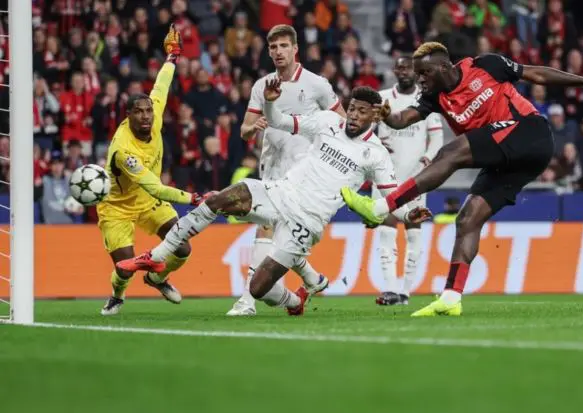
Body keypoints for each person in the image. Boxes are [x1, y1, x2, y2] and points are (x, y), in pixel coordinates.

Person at [340, 42, 583, 316]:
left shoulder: (486, 65)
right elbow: (403, 119)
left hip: (529, 132)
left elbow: (536, 73)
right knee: (467, 219)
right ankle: (451, 298)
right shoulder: (433, 98)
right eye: (417, 74)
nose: (420, 79)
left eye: (424, 73)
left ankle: (379, 208)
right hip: (508, 157)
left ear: (443, 67)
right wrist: (388, 117)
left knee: (451, 151)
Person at [116, 85, 431, 316]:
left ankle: (295, 301)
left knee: (258, 288)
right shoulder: (327, 122)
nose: (353, 116)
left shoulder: (376, 154)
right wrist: (268, 104)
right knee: (221, 198)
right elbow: (280, 121)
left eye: (362, 111)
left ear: (375, 115)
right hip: (282, 192)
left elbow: (390, 197)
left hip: (308, 221)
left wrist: (406, 216)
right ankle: (159, 255)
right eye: (352, 108)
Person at [227, 24, 346, 316]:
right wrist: (252, 128)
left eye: (283, 46)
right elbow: (244, 130)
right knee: (280, 232)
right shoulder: (262, 86)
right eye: (273, 47)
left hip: (303, 172)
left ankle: (247, 301)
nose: (278, 52)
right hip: (272, 163)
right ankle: (311, 278)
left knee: (268, 227)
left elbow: (342, 122)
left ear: (295, 49)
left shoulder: (317, 84)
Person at [96, 25, 210, 316]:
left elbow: (161, 85)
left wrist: (172, 57)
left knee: (183, 249)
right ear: (128, 115)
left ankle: (157, 278)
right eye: (139, 112)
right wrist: (194, 198)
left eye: (148, 111)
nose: (146, 116)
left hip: (148, 204)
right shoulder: (124, 151)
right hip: (117, 208)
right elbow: (156, 187)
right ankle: (117, 297)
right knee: (124, 268)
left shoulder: (155, 114)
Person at [373, 55, 443, 306]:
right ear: (393, 71)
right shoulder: (381, 98)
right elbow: (366, 131)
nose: (402, 71)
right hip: (385, 177)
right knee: (386, 232)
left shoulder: (426, 101)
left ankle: (405, 291)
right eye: (399, 67)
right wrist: (375, 143)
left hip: (415, 179)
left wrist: (426, 160)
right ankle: (390, 289)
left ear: (415, 72)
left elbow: (436, 139)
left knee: (413, 234)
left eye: (407, 68)